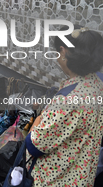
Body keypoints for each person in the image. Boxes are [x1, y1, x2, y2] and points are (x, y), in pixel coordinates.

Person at [26, 25, 103, 186]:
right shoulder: (99, 83)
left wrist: (39, 119)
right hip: (85, 176)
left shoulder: (67, 100)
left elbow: (34, 146)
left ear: (63, 52)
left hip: (56, 180)